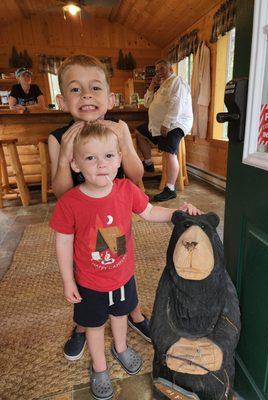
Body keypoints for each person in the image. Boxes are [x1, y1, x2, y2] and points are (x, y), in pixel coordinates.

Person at [50, 121, 201, 400]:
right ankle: (99, 367)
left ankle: (120, 348)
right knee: (94, 327)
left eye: (108, 156)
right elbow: (63, 241)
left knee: (120, 315)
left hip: (123, 277)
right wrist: (68, 280)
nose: (101, 164)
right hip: (90, 283)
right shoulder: (69, 203)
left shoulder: (126, 190)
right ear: (75, 164)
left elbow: (150, 211)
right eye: (90, 158)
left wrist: (176, 214)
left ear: (119, 159)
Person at [47, 54, 149, 364]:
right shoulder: (59, 137)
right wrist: (66, 155)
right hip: (81, 220)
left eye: (95, 88)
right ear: (63, 100)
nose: (87, 95)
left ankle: (132, 311)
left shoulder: (118, 126)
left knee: (118, 265)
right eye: (76, 90)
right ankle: (83, 324)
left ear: (110, 97)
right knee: (86, 272)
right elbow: (62, 192)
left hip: (116, 213)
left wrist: (125, 144)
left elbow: (136, 175)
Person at [135, 59, 193, 202]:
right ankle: (148, 163)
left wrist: (167, 124)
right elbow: (148, 103)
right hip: (158, 125)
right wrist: (152, 84)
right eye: (156, 70)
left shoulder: (176, 81)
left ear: (171, 70)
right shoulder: (162, 85)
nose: (158, 72)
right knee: (139, 132)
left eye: (162, 69)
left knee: (169, 153)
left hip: (175, 124)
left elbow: (177, 104)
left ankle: (170, 188)